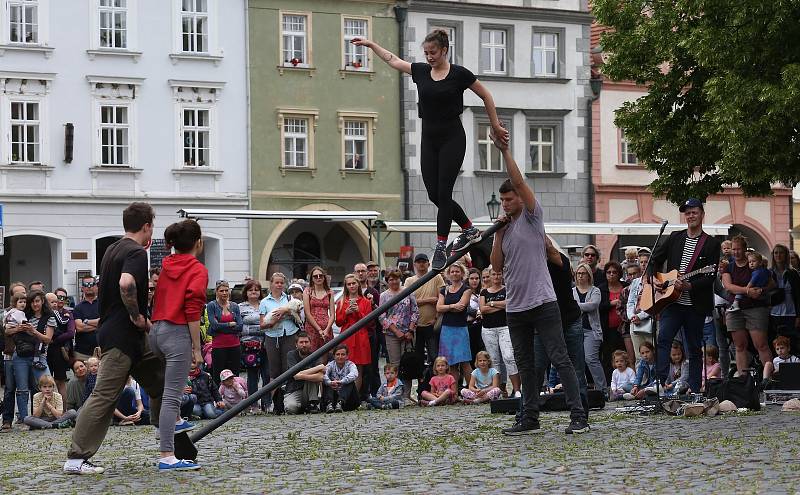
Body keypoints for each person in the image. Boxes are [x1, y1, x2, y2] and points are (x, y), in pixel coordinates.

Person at [352, 30, 509, 269]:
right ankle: (469, 229)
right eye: (426, 53)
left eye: (433, 52)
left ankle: (440, 247)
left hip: (452, 138)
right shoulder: (422, 71)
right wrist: (372, 44)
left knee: (444, 193)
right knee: (434, 195)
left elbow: (486, 95)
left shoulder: (459, 74)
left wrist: (495, 125)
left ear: (444, 50)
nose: (429, 57)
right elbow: (393, 59)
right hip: (429, 139)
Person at [490, 135, 588, 436]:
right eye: (502, 200)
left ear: (520, 198)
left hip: (543, 302)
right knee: (525, 364)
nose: (506, 204)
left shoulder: (533, 217)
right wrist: (497, 232)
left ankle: (578, 415)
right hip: (517, 306)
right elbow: (496, 266)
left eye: (509, 199)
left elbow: (519, 181)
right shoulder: (505, 229)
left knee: (561, 358)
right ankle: (529, 417)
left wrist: (505, 151)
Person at [65, 202, 166, 476]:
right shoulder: (135, 251)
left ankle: (166, 436)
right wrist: (137, 316)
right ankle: (76, 458)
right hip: (123, 336)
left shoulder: (112, 249)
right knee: (103, 396)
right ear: (147, 226)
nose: (150, 234)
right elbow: (126, 284)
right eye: (151, 228)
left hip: (130, 339)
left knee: (160, 382)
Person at [149, 219, 207, 471]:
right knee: (172, 397)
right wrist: (197, 349)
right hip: (176, 332)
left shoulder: (166, 264)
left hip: (157, 330)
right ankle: (167, 456)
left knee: (166, 393)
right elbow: (192, 311)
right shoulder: (197, 269)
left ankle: (179, 420)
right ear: (198, 243)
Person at [650, 198, 721, 392]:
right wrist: (654, 279)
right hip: (671, 302)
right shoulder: (675, 237)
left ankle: (695, 389)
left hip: (694, 305)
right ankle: (659, 383)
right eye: (687, 213)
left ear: (702, 214)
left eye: (694, 212)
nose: (690, 216)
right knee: (663, 339)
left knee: (693, 349)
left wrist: (689, 285)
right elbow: (653, 260)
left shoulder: (712, 243)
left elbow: (710, 276)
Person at [538, 237, 590, 415]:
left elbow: (550, 249)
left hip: (569, 319)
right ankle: (527, 413)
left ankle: (581, 412)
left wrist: (536, 228)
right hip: (543, 323)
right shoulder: (531, 267)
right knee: (535, 369)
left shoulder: (560, 260)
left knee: (576, 368)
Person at [721, 235, 772, 378]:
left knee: (761, 344)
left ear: (745, 249)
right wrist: (748, 291)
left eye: (739, 249)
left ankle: (769, 379)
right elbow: (728, 286)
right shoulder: (728, 266)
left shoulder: (753, 262)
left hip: (755, 308)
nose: (736, 252)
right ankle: (744, 381)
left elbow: (771, 282)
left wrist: (761, 290)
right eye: (734, 249)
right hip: (735, 309)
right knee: (739, 346)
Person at [7, 290, 55, 422]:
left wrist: (33, 331)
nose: (35, 304)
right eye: (32, 301)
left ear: (42, 301)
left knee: (48, 384)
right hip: (21, 355)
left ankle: (50, 415)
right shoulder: (22, 314)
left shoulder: (49, 317)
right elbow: (7, 330)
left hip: (39, 355)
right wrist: (19, 328)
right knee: (22, 389)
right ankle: (24, 418)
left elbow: (48, 339)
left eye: (37, 301)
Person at [260, 272, 300, 412]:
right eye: (276, 282)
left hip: (289, 334)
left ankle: (287, 401)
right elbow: (262, 325)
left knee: (288, 370)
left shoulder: (289, 298)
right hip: (272, 337)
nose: (279, 285)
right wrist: (274, 320)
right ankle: (272, 402)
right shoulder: (265, 302)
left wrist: (286, 311)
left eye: (281, 283)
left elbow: (297, 314)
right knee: (274, 372)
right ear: (271, 284)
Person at [479, 267, 520, 398]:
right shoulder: (484, 292)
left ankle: (516, 389)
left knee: (509, 357)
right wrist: (499, 306)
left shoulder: (506, 289)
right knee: (494, 360)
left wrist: (491, 303)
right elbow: (482, 310)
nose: (496, 277)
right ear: (489, 276)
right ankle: (497, 390)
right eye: (494, 274)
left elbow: (509, 304)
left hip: (505, 327)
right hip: (488, 329)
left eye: (498, 274)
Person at [404, 253, 446, 367]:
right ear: (414, 264)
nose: (421, 264)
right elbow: (407, 303)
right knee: (417, 357)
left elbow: (441, 299)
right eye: (419, 262)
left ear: (429, 263)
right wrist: (428, 300)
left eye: (424, 261)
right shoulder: (409, 281)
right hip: (415, 326)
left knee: (434, 356)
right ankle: (421, 383)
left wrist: (436, 319)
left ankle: (436, 382)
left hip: (432, 324)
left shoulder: (437, 277)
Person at [436, 263, 474, 387]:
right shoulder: (444, 290)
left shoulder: (466, 289)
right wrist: (452, 306)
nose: (454, 274)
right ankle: (454, 392)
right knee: (450, 362)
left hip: (460, 329)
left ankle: (472, 389)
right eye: (452, 271)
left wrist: (446, 307)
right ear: (448, 274)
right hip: (446, 329)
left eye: (457, 271)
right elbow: (438, 308)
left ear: (462, 273)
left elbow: (461, 306)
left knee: (465, 362)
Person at [335, 274, 372, 395]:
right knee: (343, 367)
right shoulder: (341, 302)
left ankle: (354, 398)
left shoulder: (365, 302)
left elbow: (369, 322)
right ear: (346, 286)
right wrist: (345, 313)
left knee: (358, 370)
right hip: (347, 337)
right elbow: (338, 322)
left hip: (361, 337)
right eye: (349, 284)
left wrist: (358, 312)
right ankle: (343, 396)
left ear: (358, 284)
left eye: (354, 283)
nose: (352, 286)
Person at [573, 263, 606, 394]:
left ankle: (602, 390)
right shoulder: (572, 291)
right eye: (578, 273)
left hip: (591, 330)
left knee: (591, 359)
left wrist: (575, 305)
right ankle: (580, 391)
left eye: (583, 273)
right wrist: (578, 306)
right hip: (575, 330)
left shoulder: (595, 290)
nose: (580, 276)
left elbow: (593, 305)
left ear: (589, 275)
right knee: (577, 361)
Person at [379, 269, 419, 374]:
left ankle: (407, 390)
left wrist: (410, 331)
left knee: (408, 363)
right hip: (392, 334)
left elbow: (415, 311)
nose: (394, 281)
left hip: (408, 334)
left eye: (396, 279)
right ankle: (396, 389)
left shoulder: (408, 292)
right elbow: (382, 316)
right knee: (394, 365)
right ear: (387, 281)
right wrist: (396, 331)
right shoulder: (384, 296)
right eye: (391, 279)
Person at [239, 279, 269, 414]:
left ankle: (267, 404)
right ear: (246, 292)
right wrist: (260, 328)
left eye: (256, 289)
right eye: (251, 290)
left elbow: (270, 324)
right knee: (252, 376)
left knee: (267, 374)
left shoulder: (266, 304)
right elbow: (241, 328)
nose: (253, 292)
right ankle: (253, 405)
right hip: (249, 345)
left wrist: (254, 327)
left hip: (266, 343)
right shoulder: (240, 307)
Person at [207, 280, 243, 388]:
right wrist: (230, 324)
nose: (224, 293)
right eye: (221, 290)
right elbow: (214, 325)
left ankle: (236, 400)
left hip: (234, 345)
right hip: (219, 346)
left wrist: (222, 327)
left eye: (226, 290)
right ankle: (218, 400)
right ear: (216, 292)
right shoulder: (212, 305)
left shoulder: (234, 306)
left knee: (235, 375)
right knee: (218, 375)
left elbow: (240, 326)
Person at [354, 263, 381, 400]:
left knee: (372, 365)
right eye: (358, 271)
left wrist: (372, 304)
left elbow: (379, 312)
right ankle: (358, 393)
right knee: (357, 365)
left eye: (363, 271)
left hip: (370, 331)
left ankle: (373, 393)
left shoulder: (373, 292)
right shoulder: (351, 291)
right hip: (354, 333)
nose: (360, 274)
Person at [284, 332, 326, 415]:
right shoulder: (291, 355)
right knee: (291, 408)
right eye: (301, 342)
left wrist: (300, 375)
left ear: (310, 343)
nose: (304, 345)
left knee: (312, 379)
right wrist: (318, 368)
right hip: (294, 390)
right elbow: (295, 376)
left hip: (309, 391)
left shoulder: (315, 355)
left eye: (306, 342)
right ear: (296, 344)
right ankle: (304, 407)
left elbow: (321, 377)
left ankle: (312, 404)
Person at [769, 244, 800, 355]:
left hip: (790, 313)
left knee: (792, 344)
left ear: (786, 255)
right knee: (776, 345)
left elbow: (798, 296)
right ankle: (778, 370)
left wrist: (798, 316)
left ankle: (793, 370)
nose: (778, 255)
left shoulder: (793, 273)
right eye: (776, 253)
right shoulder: (769, 273)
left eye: (781, 252)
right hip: (773, 314)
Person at [599, 260, 625, 385]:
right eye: (608, 272)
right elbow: (598, 307)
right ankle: (610, 385)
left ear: (619, 273)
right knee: (609, 358)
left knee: (625, 356)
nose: (611, 274)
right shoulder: (601, 289)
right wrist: (611, 303)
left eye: (614, 272)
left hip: (625, 328)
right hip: (608, 329)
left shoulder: (626, 286)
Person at [48, 289, 75, 399]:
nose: (60, 300)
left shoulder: (67, 313)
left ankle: (63, 411)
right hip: (46, 350)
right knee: (46, 382)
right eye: (58, 297)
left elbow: (70, 333)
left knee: (60, 381)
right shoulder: (46, 312)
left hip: (60, 350)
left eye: (63, 297)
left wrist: (54, 339)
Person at [303, 266, 335, 355]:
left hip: (327, 329)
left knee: (326, 356)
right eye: (315, 276)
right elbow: (307, 313)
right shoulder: (307, 291)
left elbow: (332, 314)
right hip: (312, 329)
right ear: (312, 279)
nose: (318, 278)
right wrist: (319, 330)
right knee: (311, 356)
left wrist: (327, 329)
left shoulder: (329, 292)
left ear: (324, 277)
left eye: (320, 275)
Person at [323, 344, 360, 413]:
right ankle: (329, 404)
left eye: (343, 354)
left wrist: (342, 382)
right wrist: (330, 382)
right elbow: (324, 375)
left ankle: (340, 403)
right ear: (334, 356)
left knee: (349, 382)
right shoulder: (330, 365)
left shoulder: (351, 364)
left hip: (349, 401)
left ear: (347, 356)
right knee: (327, 382)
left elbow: (354, 374)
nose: (340, 357)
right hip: (333, 396)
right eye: (338, 354)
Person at [617, 263, 641, 367]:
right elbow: (619, 308)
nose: (632, 276)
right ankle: (635, 380)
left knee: (645, 354)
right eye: (629, 274)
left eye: (634, 273)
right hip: (628, 325)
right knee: (632, 357)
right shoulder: (625, 291)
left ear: (640, 273)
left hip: (644, 323)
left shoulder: (646, 287)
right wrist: (630, 317)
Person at [72, 275, 100, 363]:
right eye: (86, 284)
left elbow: (107, 323)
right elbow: (79, 328)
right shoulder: (78, 308)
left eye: (91, 284)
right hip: (82, 353)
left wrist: (87, 321)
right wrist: (99, 325)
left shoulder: (103, 305)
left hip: (102, 351)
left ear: (96, 286)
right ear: (82, 288)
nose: (89, 287)